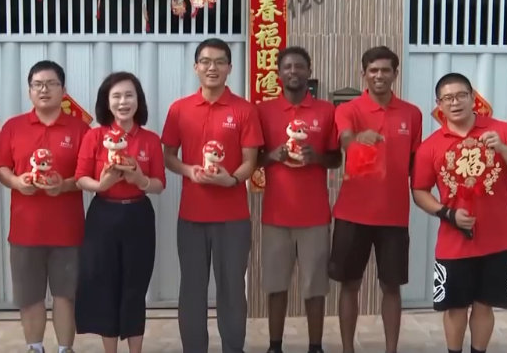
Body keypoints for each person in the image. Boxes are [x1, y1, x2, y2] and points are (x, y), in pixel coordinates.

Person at [411, 73, 507, 353]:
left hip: (499, 240)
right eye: (448, 98)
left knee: (485, 305)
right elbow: (419, 191)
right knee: (455, 308)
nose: (455, 102)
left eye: (461, 95)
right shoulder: (430, 146)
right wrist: (447, 214)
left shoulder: (502, 131)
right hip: (454, 243)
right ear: (439, 105)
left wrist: (502, 148)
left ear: (473, 98)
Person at [161, 38, 264, 353]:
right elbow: (168, 156)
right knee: (192, 289)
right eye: (205, 61)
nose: (212, 68)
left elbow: (250, 162)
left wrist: (231, 180)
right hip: (191, 217)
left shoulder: (244, 109)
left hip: (233, 218)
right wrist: (189, 170)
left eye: (220, 62)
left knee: (231, 289)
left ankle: (233, 348)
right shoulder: (179, 109)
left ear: (230, 68)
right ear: (195, 67)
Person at [329, 46, 422, 353]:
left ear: (395, 74)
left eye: (385, 70)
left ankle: (391, 349)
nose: (379, 75)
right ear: (363, 74)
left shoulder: (412, 113)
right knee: (349, 285)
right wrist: (357, 139)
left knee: (391, 287)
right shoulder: (349, 109)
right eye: (373, 70)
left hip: (394, 216)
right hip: (352, 214)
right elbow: (344, 138)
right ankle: (347, 349)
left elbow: (415, 161)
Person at [0, 60, 89, 353]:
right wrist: (16, 182)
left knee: (65, 295)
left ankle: (65, 348)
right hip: (25, 230)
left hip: (67, 230)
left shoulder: (81, 129)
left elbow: (89, 175)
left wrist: (64, 185)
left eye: (51, 84)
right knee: (30, 296)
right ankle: (35, 347)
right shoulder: (13, 127)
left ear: (63, 90)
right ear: (29, 91)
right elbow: (1, 167)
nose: (44, 90)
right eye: (37, 84)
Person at [256, 47, 341, 353]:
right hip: (275, 215)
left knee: (314, 287)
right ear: (278, 73)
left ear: (309, 71)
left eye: (299, 66)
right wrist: (271, 156)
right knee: (276, 285)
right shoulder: (263, 111)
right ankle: (274, 346)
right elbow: (252, 159)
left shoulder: (326, 111)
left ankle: (315, 346)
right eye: (288, 66)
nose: (293, 71)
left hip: (315, 216)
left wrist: (316, 157)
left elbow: (336, 158)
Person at [73, 72, 166, 353]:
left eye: (129, 95)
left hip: (138, 216)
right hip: (103, 215)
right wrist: (101, 185)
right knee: (105, 286)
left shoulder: (150, 139)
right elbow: (80, 178)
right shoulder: (95, 136)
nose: (123, 102)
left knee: (135, 286)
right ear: (107, 102)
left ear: (139, 100)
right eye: (116, 96)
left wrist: (140, 180)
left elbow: (159, 184)